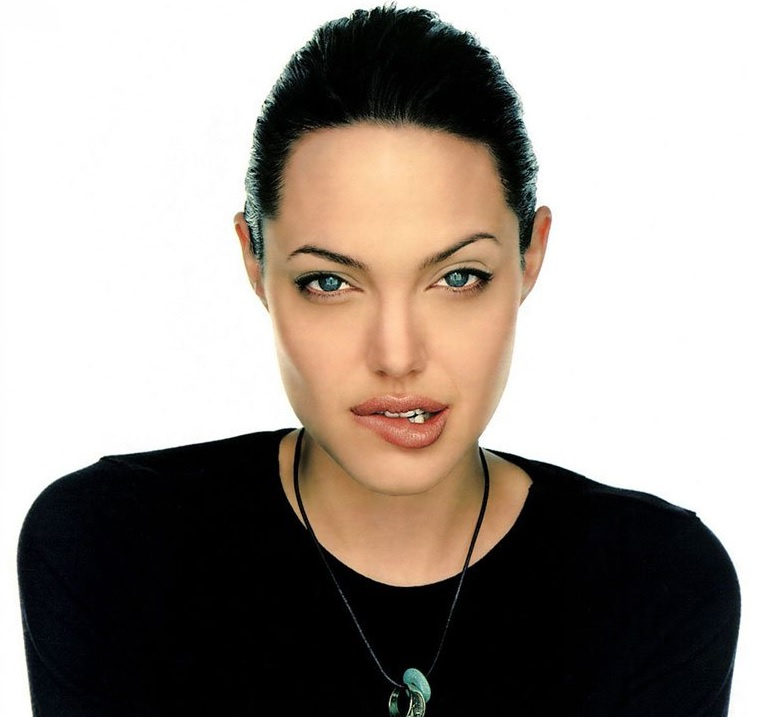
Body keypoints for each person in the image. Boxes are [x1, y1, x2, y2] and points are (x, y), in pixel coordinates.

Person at [17, 6, 740, 716]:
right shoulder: (111, 547)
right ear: (254, 262)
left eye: (458, 277)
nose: (397, 356)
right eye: (330, 282)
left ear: (530, 256)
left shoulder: (656, 582)